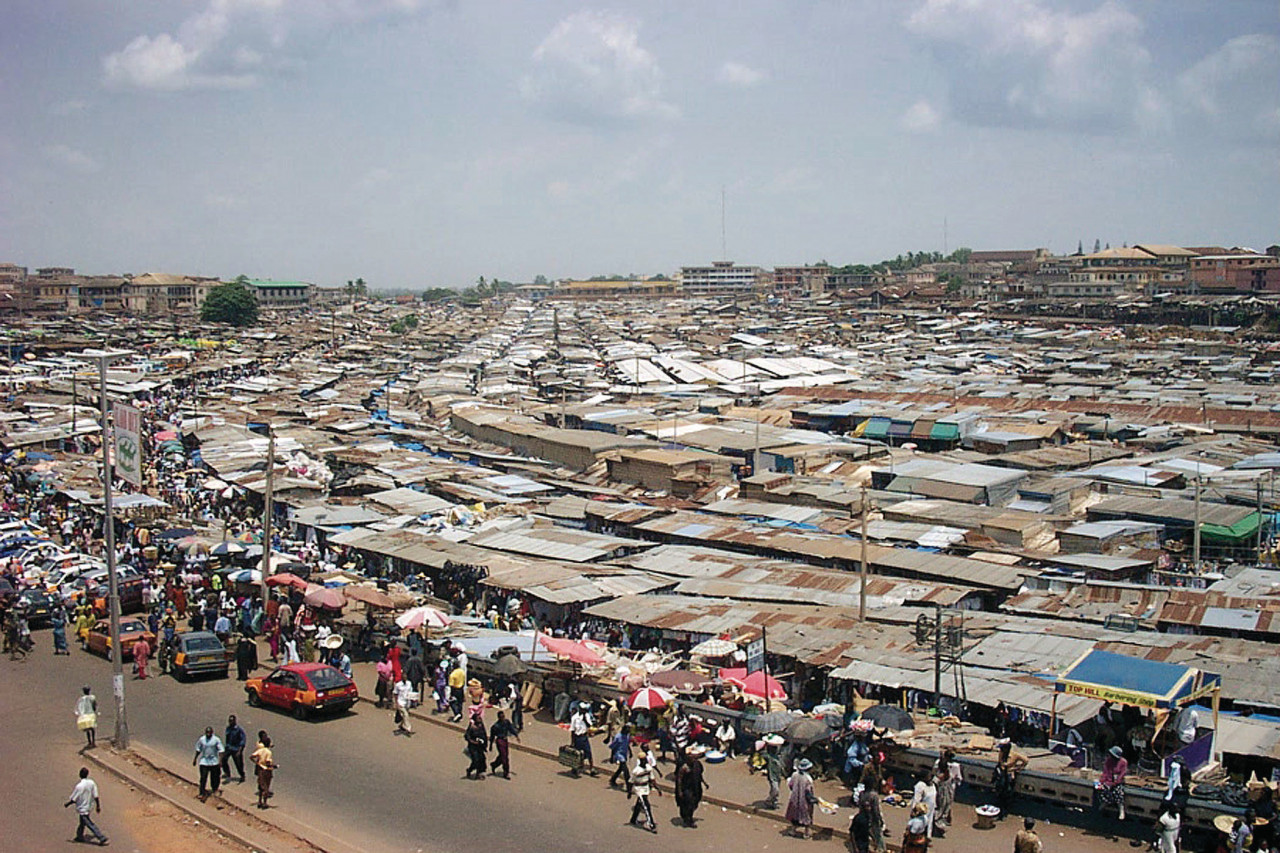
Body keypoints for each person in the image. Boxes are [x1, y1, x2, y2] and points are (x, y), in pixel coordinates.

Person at [64, 767, 108, 846]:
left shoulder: (79, 786)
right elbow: (96, 796)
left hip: (82, 808)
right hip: (89, 807)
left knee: (89, 823)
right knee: (82, 823)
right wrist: (98, 806)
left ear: (80, 774)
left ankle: (101, 837)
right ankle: (79, 836)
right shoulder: (91, 783)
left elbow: (74, 799)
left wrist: (67, 804)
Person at [628, 745, 660, 833]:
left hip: (646, 788)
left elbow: (652, 779)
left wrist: (657, 788)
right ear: (641, 760)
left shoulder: (648, 768)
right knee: (646, 806)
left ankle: (633, 819)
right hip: (639, 789)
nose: (646, 760)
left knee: (639, 804)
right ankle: (651, 824)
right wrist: (629, 792)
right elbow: (631, 782)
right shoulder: (636, 771)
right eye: (644, 759)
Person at [674, 752, 710, 828]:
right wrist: (680, 791)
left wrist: (704, 783)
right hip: (687, 788)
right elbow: (679, 780)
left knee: (695, 802)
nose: (692, 761)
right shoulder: (684, 768)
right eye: (690, 759)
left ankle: (689, 816)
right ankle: (688, 820)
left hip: (696, 787)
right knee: (688, 804)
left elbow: (699, 775)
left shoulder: (697, 765)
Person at [994, 740, 1028, 817]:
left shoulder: (1014, 755)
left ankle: (1006, 809)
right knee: (999, 790)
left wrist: (1017, 768)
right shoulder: (1001, 753)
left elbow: (1026, 760)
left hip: (1009, 775)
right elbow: (1000, 763)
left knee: (1008, 792)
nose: (1001, 750)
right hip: (1002, 774)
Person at [785, 757, 818, 839]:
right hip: (804, 801)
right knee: (806, 816)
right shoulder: (808, 779)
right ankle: (806, 833)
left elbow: (790, 785)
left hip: (795, 798)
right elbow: (808, 791)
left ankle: (793, 830)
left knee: (794, 815)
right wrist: (812, 799)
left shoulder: (794, 775)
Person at [1098, 745, 1129, 822]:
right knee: (1102, 788)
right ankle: (1105, 803)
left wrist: (1115, 782)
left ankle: (1121, 809)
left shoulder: (1123, 762)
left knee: (1118, 791)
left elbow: (1122, 774)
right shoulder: (1108, 761)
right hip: (1108, 781)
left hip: (1118, 782)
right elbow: (1106, 772)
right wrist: (1103, 781)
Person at [193, 726, 224, 800]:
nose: (208, 734)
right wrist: (195, 759)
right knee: (203, 778)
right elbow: (198, 749)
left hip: (214, 762)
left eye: (209, 733)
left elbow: (221, 751)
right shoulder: (202, 739)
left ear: (212, 733)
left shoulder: (216, 740)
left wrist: (220, 761)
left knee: (215, 778)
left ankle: (215, 789)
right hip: (204, 761)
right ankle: (201, 792)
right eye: (207, 733)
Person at [489, 709, 519, 778]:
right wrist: (490, 746)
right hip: (499, 741)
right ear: (498, 718)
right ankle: (506, 772)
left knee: (503, 756)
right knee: (505, 757)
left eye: (503, 716)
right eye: (501, 717)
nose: (503, 718)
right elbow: (492, 736)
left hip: (505, 740)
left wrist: (516, 735)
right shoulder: (495, 726)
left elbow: (511, 729)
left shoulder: (506, 722)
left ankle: (494, 764)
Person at [569, 702, 595, 776]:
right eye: (583, 710)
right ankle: (575, 768)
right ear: (580, 709)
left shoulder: (586, 716)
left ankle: (591, 768)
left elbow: (590, 725)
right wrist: (572, 742)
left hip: (584, 737)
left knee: (589, 752)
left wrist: (585, 720)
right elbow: (572, 731)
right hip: (578, 738)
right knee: (578, 754)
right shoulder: (574, 718)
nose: (584, 711)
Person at [250, 732, 275, 809]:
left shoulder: (260, 748)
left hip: (260, 768)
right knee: (266, 786)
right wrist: (273, 766)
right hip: (266, 770)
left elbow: (252, 756)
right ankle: (265, 803)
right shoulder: (268, 752)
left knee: (260, 786)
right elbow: (267, 762)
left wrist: (257, 763)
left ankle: (259, 801)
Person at [911, 770, 938, 838]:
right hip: (922, 809)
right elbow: (916, 799)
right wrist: (914, 810)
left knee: (929, 823)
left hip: (931, 809)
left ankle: (927, 838)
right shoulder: (920, 785)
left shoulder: (933, 786)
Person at [222, 715, 247, 783]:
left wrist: (240, 750)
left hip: (236, 749)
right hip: (229, 747)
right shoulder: (228, 728)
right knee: (223, 760)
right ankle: (227, 773)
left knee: (238, 764)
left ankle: (242, 775)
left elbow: (243, 740)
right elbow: (227, 738)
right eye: (229, 721)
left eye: (232, 721)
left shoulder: (239, 730)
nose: (230, 722)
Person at [762, 734, 785, 809]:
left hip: (777, 775)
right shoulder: (769, 756)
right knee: (775, 790)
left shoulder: (778, 756)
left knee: (775, 789)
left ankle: (773, 802)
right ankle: (768, 801)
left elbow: (782, 765)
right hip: (772, 776)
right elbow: (763, 754)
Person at [608, 724, 633, 791]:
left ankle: (613, 779)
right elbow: (613, 747)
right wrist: (612, 757)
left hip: (624, 754)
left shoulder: (627, 736)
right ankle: (629, 786)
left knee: (620, 769)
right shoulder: (618, 737)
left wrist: (630, 752)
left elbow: (627, 745)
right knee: (626, 771)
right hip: (619, 755)